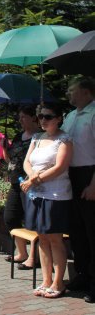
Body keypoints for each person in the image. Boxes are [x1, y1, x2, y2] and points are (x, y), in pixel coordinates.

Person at [21, 102, 72, 299]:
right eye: (41, 116)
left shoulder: (65, 139)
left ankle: (59, 283)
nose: (43, 120)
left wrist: (34, 178)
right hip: (36, 195)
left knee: (55, 239)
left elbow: (60, 167)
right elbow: (27, 161)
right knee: (41, 238)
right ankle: (46, 280)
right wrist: (31, 175)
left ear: (58, 118)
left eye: (48, 117)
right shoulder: (36, 138)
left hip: (56, 195)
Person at [62, 76, 95, 302]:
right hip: (71, 176)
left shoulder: (94, 115)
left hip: (89, 175)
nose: (69, 94)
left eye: (73, 90)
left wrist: (94, 184)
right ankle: (82, 274)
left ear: (86, 92)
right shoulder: (71, 116)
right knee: (77, 231)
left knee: (93, 232)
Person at [2, 105, 40, 270]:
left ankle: (33, 257)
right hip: (15, 183)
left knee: (32, 221)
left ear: (33, 118)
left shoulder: (39, 137)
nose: (20, 120)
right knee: (10, 217)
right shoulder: (19, 136)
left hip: (30, 184)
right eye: (19, 117)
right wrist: (4, 148)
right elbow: (10, 160)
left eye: (23, 116)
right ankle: (22, 252)